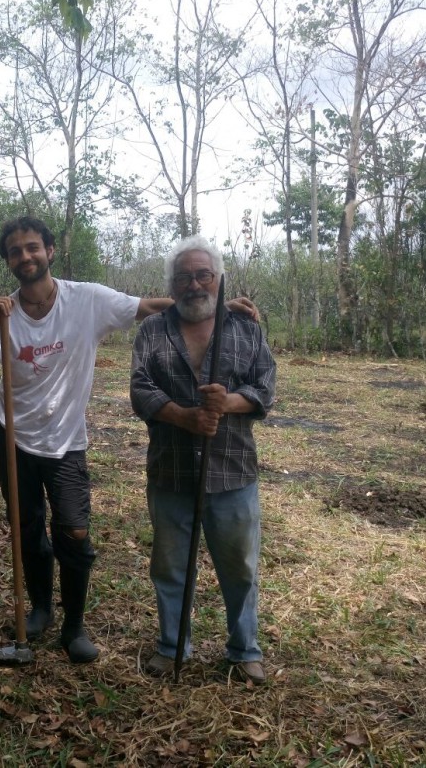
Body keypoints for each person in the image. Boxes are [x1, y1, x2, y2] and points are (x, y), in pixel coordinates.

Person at [0, 217, 258, 664]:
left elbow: (149, 306)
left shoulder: (86, 298)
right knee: (27, 528)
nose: (25, 257)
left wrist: (214, 304)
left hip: (66, 438)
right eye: (15, 251)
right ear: (8, 260)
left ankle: (74, 626)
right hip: (14, 435)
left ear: (49, 250)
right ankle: (41, 609)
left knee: (74, 529)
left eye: (32, 247)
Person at [130, 235, 276, 685]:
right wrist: (184, 416)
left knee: (240, 568)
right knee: (171, 568)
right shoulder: (152, 331)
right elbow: (140, 390)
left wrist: (228, 403)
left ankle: (243, 650)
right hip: (171, 472)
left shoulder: (245, 328)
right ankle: (172, 646)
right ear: (171, 285)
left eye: (203, 275)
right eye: (183, 277)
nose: (194, 284)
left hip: (232, 472)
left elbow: (265, 387)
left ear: (217, 279)